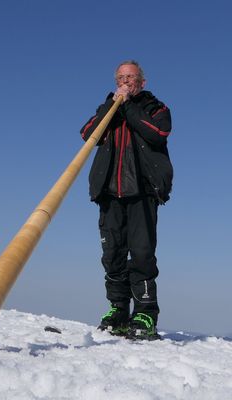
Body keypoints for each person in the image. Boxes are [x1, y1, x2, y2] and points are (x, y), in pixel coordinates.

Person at [80, 60, 173, 340]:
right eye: (121, 78)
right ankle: (118, 309)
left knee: (142, 253)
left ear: (142, 82)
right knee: (112, 254)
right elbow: (87, 135)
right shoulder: (110, 109)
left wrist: (128, 106)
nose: (125, 82)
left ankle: (145, 312)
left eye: (131, 77)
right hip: (109, 192)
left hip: (143, 191)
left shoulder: (156, 108)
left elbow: (157, 134)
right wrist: (111, 105)